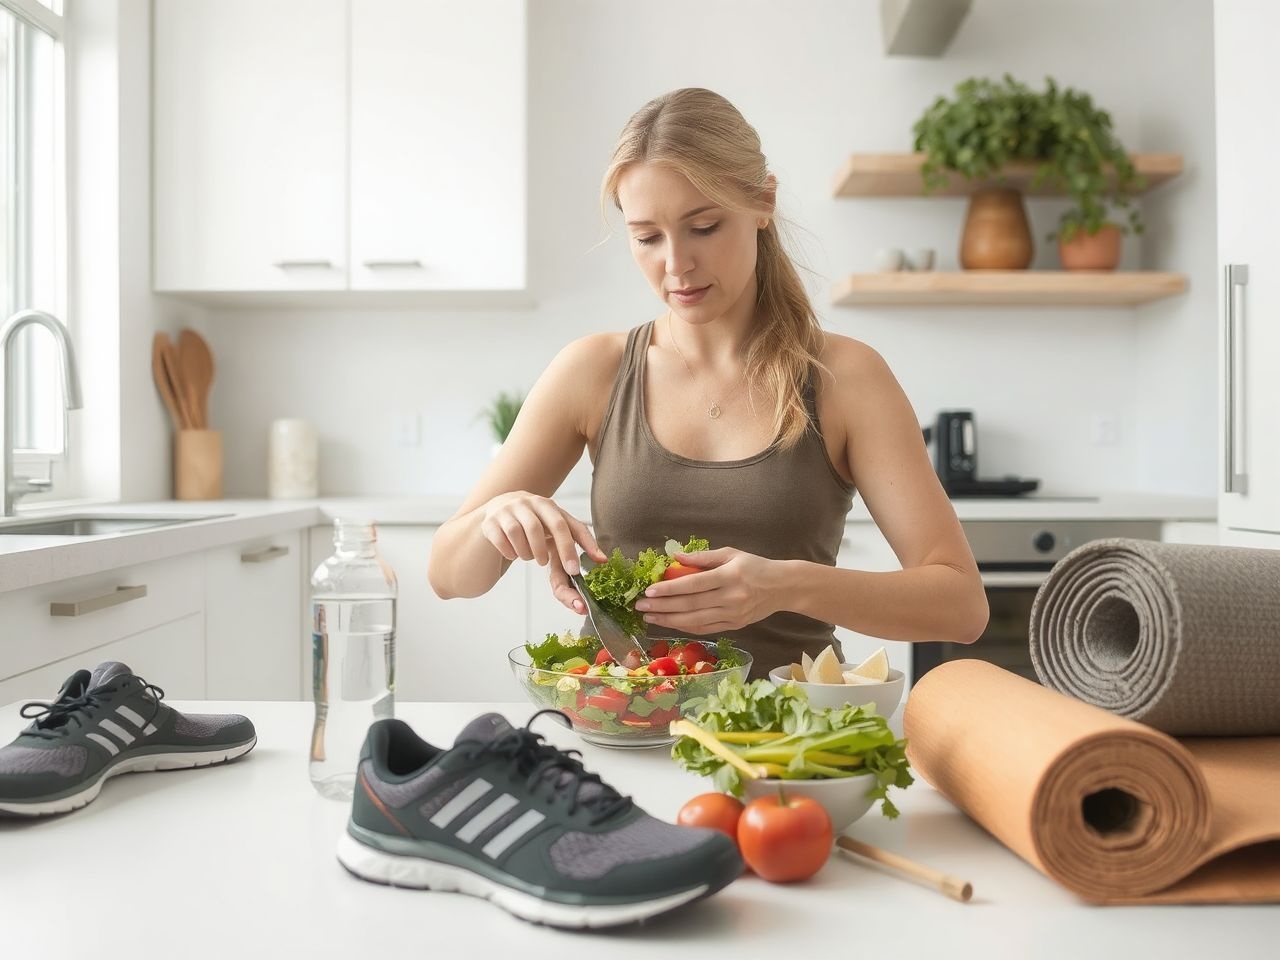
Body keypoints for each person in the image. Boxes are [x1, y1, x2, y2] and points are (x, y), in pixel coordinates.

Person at [428, 87, 987, 676]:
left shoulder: (843, 377)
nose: (676, 265)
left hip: (785, 737)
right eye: (647, 237)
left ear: (763, 201)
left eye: (704, 226)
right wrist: (500, 519)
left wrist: (787, 584)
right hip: (619, 721)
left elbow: (960, 606)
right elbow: (448, 575)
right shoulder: (593, 370)